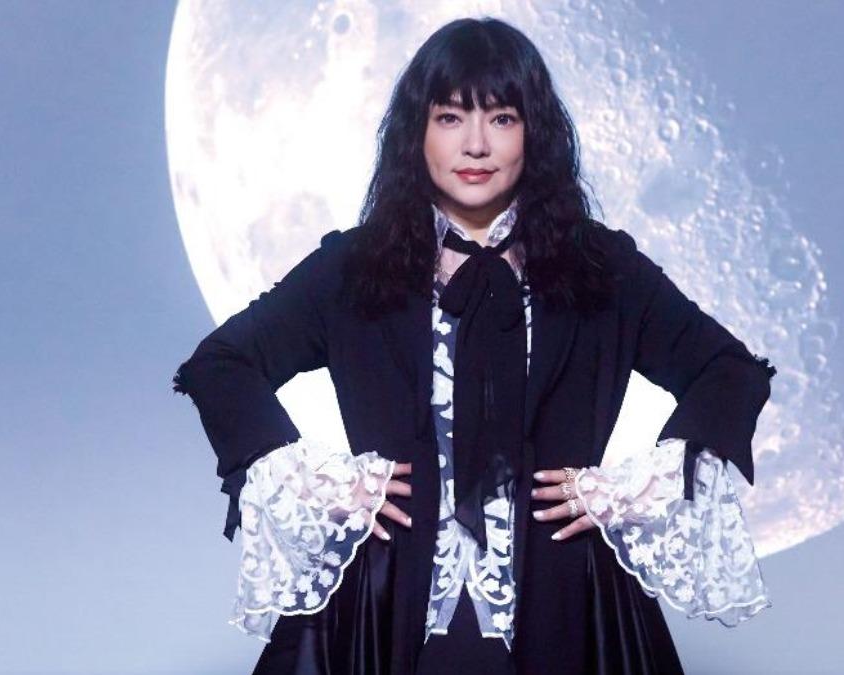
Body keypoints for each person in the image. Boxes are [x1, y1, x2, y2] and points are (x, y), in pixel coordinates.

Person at [171, 16, 777, 675]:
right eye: (451, 117)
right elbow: (219, 365)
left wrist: (630, 491)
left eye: (503, 118)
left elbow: (731, 371)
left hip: (568, 607)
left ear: (534, 133)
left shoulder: (603, 269)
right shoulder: (352, 269)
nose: (477, 144)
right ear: (418, 132)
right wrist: (323, 485)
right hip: (381, 609)